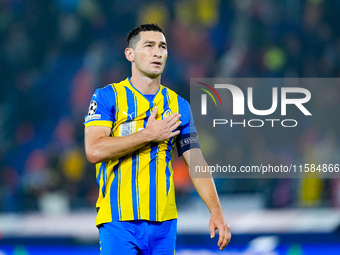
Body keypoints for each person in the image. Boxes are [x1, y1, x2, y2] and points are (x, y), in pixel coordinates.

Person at [84, 23, 231, 254]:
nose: (157, 52)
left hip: (164, 223)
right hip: (118, 221)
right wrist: (149, 134)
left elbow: (196, 162)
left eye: (162, 47)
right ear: (130, 54)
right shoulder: (106, 97)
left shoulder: (178, 106)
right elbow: (94, 150)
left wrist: (216, 211)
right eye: (149, 46)